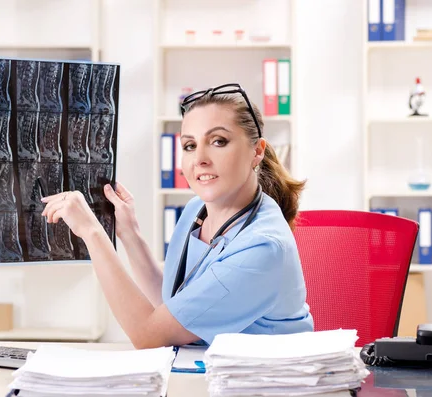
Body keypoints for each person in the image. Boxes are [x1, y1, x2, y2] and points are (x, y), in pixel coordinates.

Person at [41, 83, 314, 349]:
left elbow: (148, 335)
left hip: (267, 383)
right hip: (209, 371)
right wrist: (129, 233)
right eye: (189, 145)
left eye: (218, 141)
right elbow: (174, 304)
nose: (200, 159)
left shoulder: (263, 247)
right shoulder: (197, 211)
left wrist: (92, 233)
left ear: (257, 151)